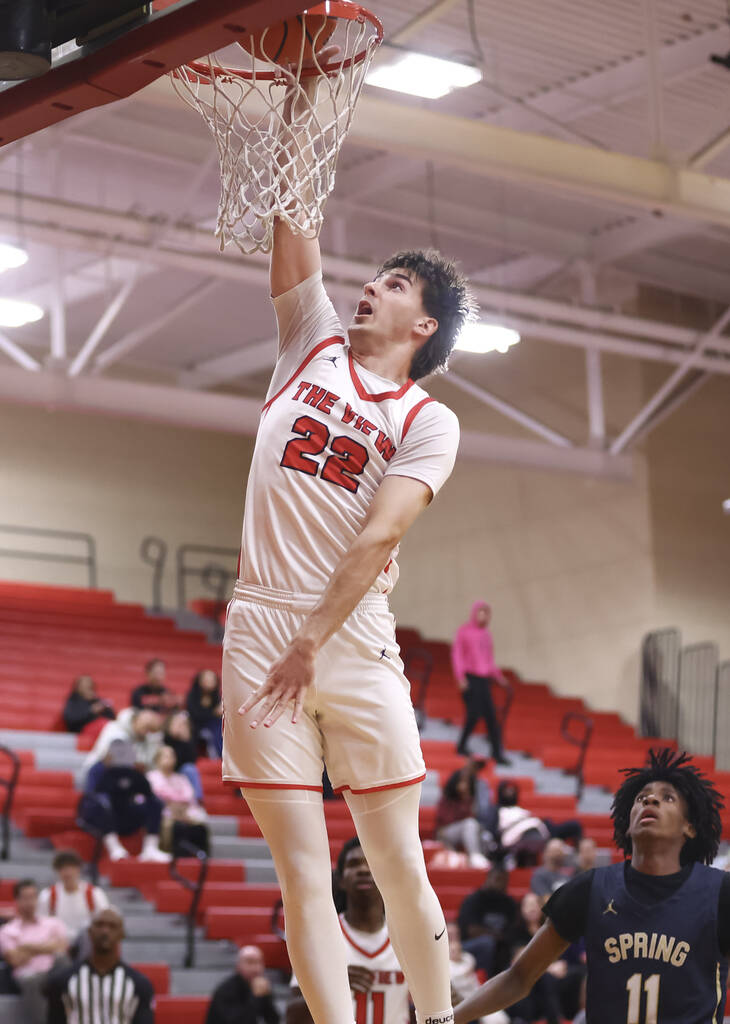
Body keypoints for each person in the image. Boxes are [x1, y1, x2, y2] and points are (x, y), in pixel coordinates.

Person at [222, 51, 473, 1024]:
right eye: (373, 275)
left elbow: (376, 538)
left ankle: (440, 1017)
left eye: (396, 282)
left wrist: (311, 639)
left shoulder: (428, 419)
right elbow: (294, 218)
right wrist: (303, 96)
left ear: (427, 324)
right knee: (302, 870)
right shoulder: (309, 341)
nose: (371, 286)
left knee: (399, 862)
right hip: (261, 625)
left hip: (351, 634)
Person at [453, 748, 730, 1024]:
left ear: (689, 827)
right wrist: (448, 1019)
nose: (651, 799)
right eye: (641, 797)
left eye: (667, 798)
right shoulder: (591, 888)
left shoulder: (719, 893)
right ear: (627, 824)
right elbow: (519, 977)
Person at [287, 837, 410, 1024]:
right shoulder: (319, 937)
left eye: (371, 863)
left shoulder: (407, 937)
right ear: (341, 879)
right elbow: (292, 1015)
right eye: (354, 864)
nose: (363, 869)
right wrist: (332, 987)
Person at [46, 906, 155, 1023]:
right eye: (99, 925)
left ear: (122, 934)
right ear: (89, 931)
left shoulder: (139, 984)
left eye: (112, 926)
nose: (105, 931)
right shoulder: (63, 981)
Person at [80, 739, 171, 862]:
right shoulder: (97, 770)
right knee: (102, 804)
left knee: (155, 803)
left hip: (123, 814)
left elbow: (147, 793)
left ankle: (150, 848)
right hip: (99, 815)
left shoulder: (131, 772)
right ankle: (114, 848)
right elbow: (91, 796)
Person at [0, 878, 69, 1024]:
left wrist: (26, 947)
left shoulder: (53, 923)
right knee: (31, 980)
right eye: (25, 898)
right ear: (17, 900)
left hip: (55, 971)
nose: (29, 902)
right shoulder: (8, 930)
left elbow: (62, 948)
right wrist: (47, 947)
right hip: (28, 975)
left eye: (32, 897)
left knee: (64, 963)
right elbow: (15, 960)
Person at [451, 603, 508, 764]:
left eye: (487, 613)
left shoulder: (486, 634)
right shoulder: (464, 631)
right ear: (475, 613)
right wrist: (460, 677)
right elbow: (458, 655)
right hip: (470, 679)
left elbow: (489, 659)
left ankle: (497, 753)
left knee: (491, 716)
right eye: (482, 612)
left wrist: (498, 676)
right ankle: (461, 746)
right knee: (474, 714)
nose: (485, 616)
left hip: (484, 680)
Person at [495, 782, 582, 866]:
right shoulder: (497, 810)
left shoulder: (519, 809)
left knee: (574, 825)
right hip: (526, 834)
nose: (510, 793)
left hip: (541, 827)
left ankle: (581, 856)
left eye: (512, 790)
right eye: (507, 791)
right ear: (501, 792)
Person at [38, 850, 109, 953]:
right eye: (63, 868)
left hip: (87, 944)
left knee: (87, 935)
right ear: (57, 871)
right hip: (57, 946)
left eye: (71, 867)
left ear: (79, 869)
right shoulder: (47, 895)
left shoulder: (94, 894)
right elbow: (41, 925)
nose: (67, 872)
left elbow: (105, 921)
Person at [147, 745, 209, 856]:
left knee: (200, 824)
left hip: (184, 811)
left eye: (172, 756)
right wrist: (174, 803)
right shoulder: (151, 777)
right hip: (164, 812)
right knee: (170, 824)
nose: (170, 759)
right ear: (157, 759)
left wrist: (178, 805)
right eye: (166, 756)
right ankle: (170, 853)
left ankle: (200, 854)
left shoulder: (180, 778)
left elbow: (189, 795)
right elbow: (157, 795)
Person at [457, 866, 520, 976]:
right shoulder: (474, 900)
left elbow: (514, 928)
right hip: (469, 946)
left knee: (514, 947)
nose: (500, 884)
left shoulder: (509, 903)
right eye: (497, 879)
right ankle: (484, 981)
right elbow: (472, 930)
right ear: (488, 879)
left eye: (504, 881)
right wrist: (497, 936)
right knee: (487, 943)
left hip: (499, 946)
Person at [446, 920, 508, 1024]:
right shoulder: (442, 964)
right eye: (450, 935)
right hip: (458, 1003)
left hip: (476, 996)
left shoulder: (468, 958)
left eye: (456, 934)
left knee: (499, 1018)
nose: (453, 938)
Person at [206, 944, 280, 1024]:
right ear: (238, 966)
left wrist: (266, 997)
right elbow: (237, 1021)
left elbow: (274, 1020)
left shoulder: (260, 986)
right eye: (250, 962)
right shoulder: (225, 990)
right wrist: (256, 997)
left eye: (259, 962)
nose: (255, 968)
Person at [82, 707, 163, 777]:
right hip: (98, 774)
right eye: (146, 726)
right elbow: (116, 760)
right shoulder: (116, 729)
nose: (147, 732)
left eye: (151, 729)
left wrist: (155, 735)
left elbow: (151, 765)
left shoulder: (144, 737)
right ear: (135, 720)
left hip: (124, 779)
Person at [435, 768, 489, 869]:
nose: (465, 785)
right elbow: (446, 819)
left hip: (465, 830)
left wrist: (466, 798)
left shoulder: (470, 799)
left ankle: (482, 857)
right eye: (462, 781)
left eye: (467, 782)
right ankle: (475, 856)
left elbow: (475, 817)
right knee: (469, 823)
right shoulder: (447, 798)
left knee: (477, 828)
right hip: (446, 832)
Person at [163, 709, 205, 802]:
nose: (180, 727)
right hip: (163, 770)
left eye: (183, 724)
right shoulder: (163, 738)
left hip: (180, 773)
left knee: (190, 769)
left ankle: (196, 801)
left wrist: (185, 741)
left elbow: (191, 760)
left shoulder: (186, 742)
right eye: (177, 723)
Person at [187, 669, 224, 757]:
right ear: (200, 680)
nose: (209, 682)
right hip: (195, 725)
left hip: (214, 726)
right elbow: (195, 714)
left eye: (212, 679)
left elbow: (219, 714)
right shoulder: (192, 695)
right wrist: (213, 713)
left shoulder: (217, 696)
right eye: (206, 679)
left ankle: (221, 754)